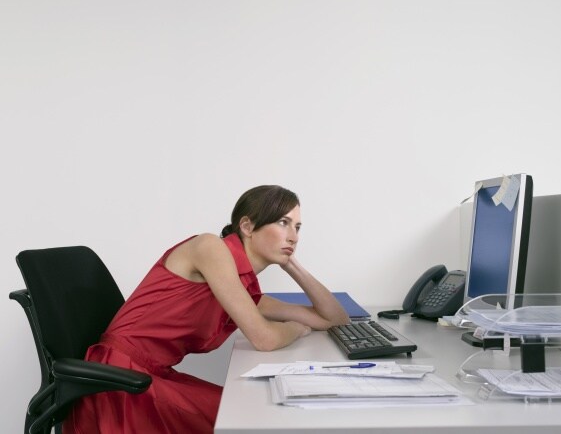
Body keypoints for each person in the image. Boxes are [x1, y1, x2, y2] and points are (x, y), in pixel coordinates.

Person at [62, 185, 350, 434]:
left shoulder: (244, 291)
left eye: (298, 228)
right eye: (284, 223)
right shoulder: (210, 248)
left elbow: (335, 318)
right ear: (247, 227)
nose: (294, 237)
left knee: (249, 412)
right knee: (247, 419)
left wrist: (291, 263)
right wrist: (296, 330)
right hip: (119, 382)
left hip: (151, 377)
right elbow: (265, 339)